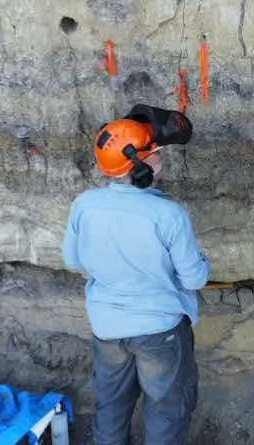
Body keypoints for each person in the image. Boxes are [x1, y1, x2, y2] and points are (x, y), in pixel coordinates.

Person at [61, 105, 210, 445]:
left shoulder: (83, 205)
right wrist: (203, 261)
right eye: (155, 151)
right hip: (159, 333)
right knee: (166, 411)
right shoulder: (169, 215)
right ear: (142, 165)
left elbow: (72, 260)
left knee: (111, 407)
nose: (159, 154)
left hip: (107, 328)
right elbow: (194, 279)